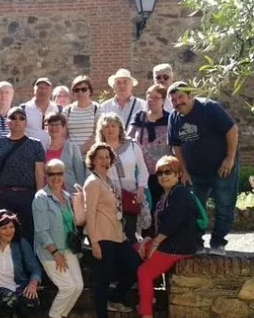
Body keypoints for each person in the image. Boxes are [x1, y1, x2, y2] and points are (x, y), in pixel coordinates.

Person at [125, 156, 197, 318]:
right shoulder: (165, 196)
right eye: (159, 173)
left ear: (178, 174)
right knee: (133, 250)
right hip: (168, 243)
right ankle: (148, 297)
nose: (163, 176)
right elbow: (158, 225)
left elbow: (174, 221)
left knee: (145, 272)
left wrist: (155, 243)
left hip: (177, 247)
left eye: (168, 172)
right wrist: (147, 240)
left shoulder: (180, 194)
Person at [167, 81, 239, 256]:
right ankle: (196, 243)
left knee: (224, 206)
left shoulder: (209, 108)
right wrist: (184, 170)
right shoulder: (174, 118)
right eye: (173, 100)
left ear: (191, 96)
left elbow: (232, 130)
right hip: (194, 173)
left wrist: (229, 158)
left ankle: (218, 243)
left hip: (222, 168)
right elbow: (176, 146)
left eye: (181, 97)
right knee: (194, 208)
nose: (177, 102)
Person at [83, 143, 141, 318]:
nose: (104, 160)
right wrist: (94, 243)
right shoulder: (93, 182)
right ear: (93, 160)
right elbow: (89, 214)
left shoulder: (108, 180)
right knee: (103, 280)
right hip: (102, 238)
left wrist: (123, 234)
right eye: (100, 157)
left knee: (136, 267)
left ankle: (114, 299)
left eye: (107, 157)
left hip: (117, 236)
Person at [32, 159, 83, 318]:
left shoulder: (67, 197)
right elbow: (41, 231)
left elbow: (76, 222)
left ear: (64, 175)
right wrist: (55, 253)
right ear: (46, 176)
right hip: (50, 252)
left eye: (59, 173)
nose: (55, 177)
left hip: (68, 248)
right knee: (67, 286)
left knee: (78, 286)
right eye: (51, 174)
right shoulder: (41, 198)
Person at [0, 107, 45, 246]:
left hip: (28, 196)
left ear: (26, 122)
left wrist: (38, 196)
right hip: (5, 195)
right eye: (13, 118)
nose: (17, 121)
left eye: (21, 118)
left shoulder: (35, 145)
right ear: (7, 122)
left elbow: (39, 173)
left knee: (27, 234)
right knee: (4, 235)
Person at [96, 112, 149, 243]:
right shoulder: (97, 150)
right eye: (106, 126)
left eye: (113, 126)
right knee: (112, 238)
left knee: (130, 236)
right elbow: (94, 176)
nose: (110, 129)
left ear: (120, 128)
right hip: (108, 201)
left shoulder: (132, 146)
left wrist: (141, 189)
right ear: (102, 130)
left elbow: (143, 170)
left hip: (131, 197)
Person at [127, 84, 170, 212]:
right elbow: (127, 139)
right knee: (144, 208)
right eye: (149, 97)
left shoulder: (170, 119)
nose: (151, 100)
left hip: (163, 172)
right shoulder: (139, 117)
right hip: (142, 172)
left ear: (163, 100)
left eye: (156, 97)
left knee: (162, 206)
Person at [44, 114, 86, 191]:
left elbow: (80, 175)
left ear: (63, 127)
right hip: (49, 194)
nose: (54, 127)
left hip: (70, 194)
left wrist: (81, 193)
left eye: (57, 124)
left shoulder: (72, 148)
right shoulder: (43, 148)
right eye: (50, 125)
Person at [64, 75, 102, 155]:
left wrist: (80, 151)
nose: (80, 92)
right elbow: (63, 134)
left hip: (92, 155)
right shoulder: (67, 110)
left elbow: (98, 133)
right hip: (71, 155)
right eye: (76, 90)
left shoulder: (97, 109)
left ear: (90, 91)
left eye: (84, 89)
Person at [21, 77, 57, 149]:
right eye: (40, 88)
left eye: (46, 88)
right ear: (34, 90)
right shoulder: (24, 108)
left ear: (51, 91)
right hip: (30, 151)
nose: (42, 91)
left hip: (52, 151)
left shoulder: (57, 109)